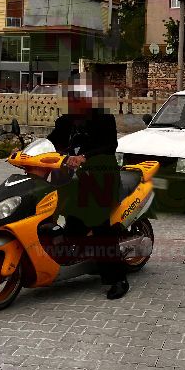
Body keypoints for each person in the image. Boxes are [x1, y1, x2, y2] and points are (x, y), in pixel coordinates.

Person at [47, 83, 128, 299]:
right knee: (68, 222)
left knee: (99, 223)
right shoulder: (65, 121)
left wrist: (85, 157)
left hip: (101, 176)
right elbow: (50, 142)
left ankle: (118, 278)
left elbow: (110, 146)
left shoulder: (103, 119)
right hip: (72, 178)